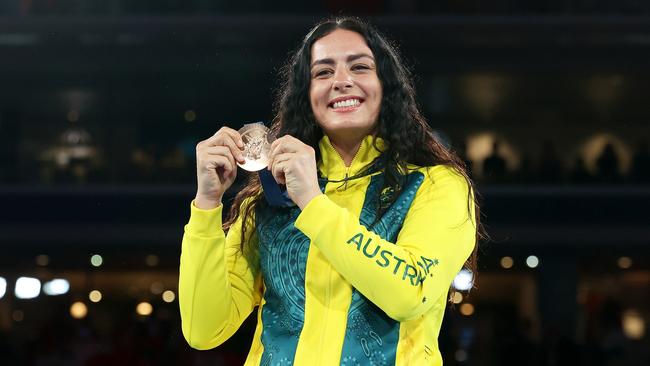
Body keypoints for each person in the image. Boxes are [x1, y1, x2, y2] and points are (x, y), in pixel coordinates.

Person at [179, 16, 483, 365]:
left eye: (360, 67)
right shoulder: (267, 199)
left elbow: (409, 294)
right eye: (323, 73)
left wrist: (312, 201)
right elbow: (203, 330)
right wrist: (207, 204)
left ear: (386, 85)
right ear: (306, 94)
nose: (341, 81)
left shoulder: (435, 185)